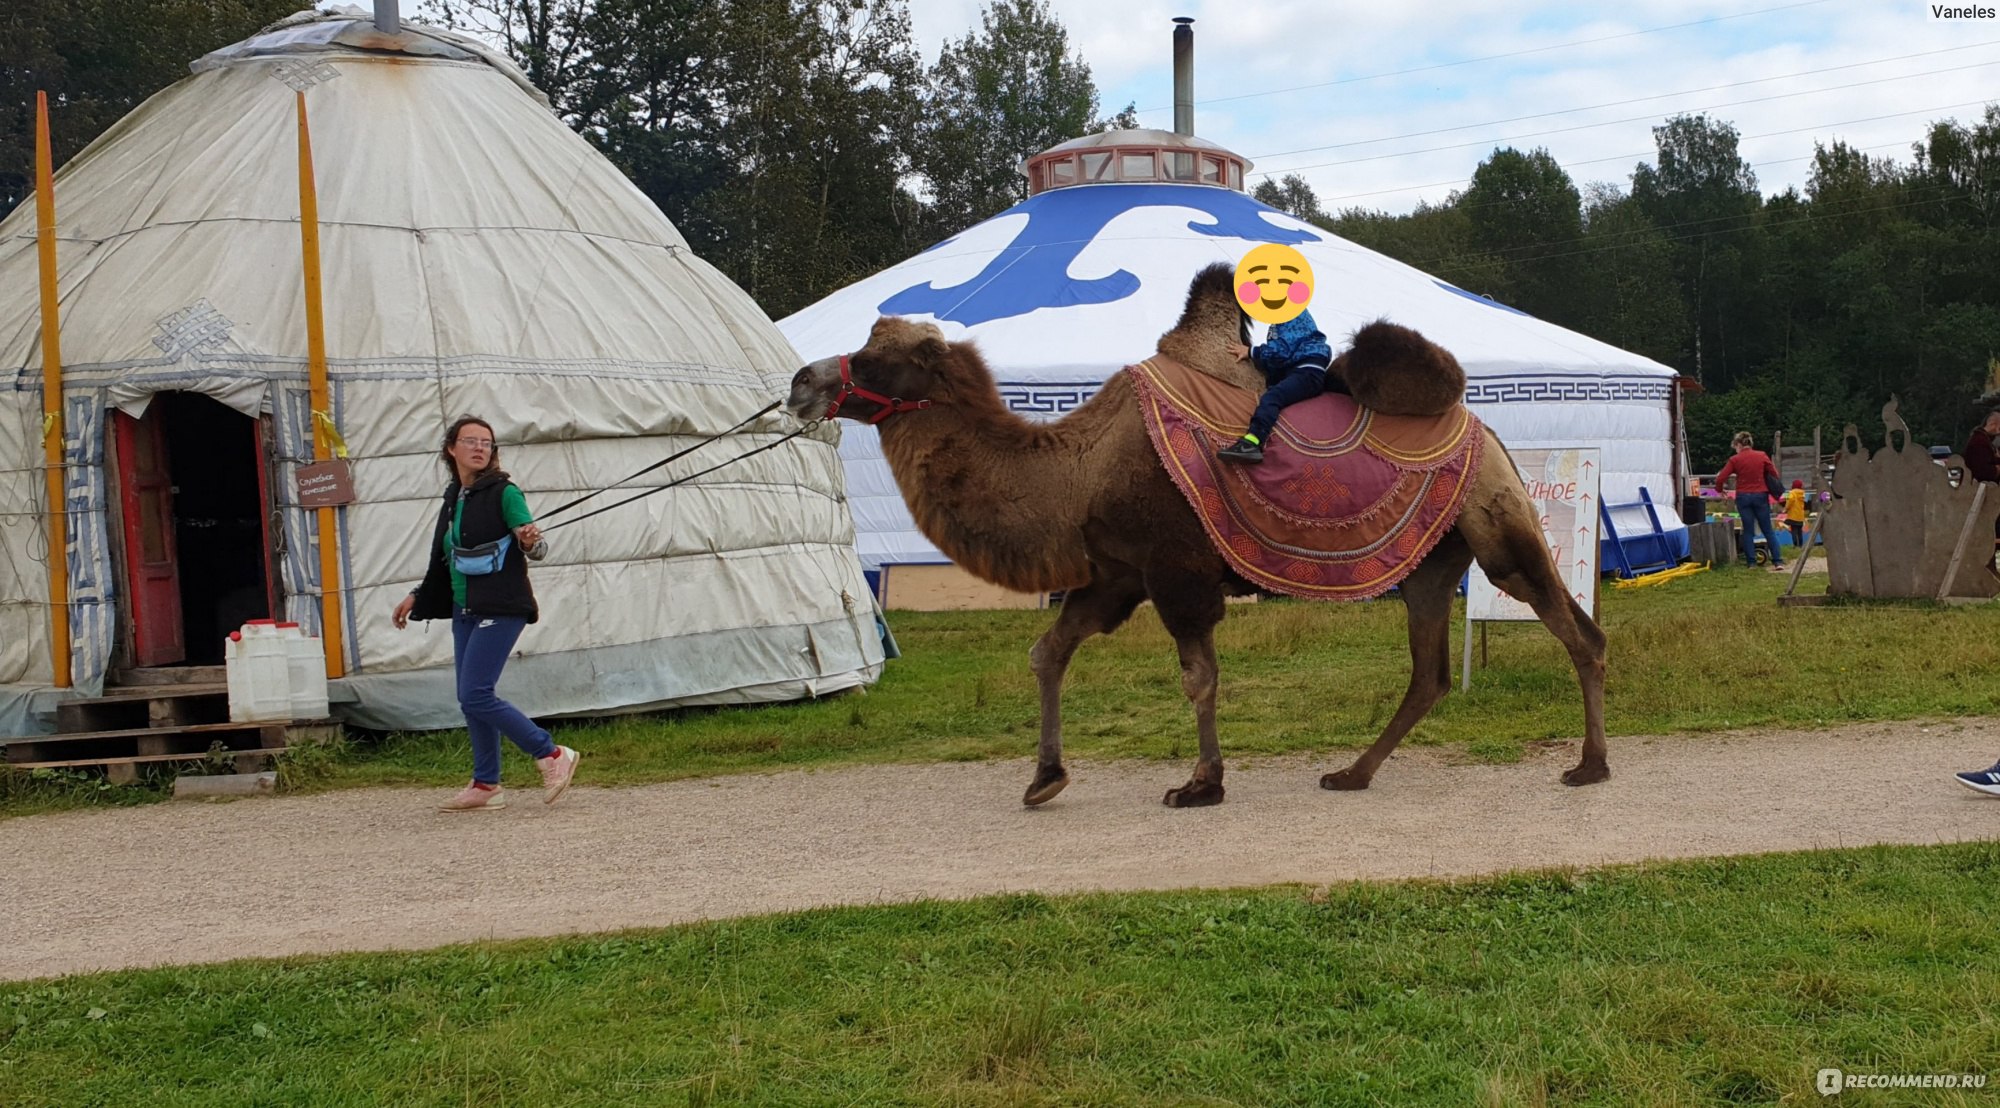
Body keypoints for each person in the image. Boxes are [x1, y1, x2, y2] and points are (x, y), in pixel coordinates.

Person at [392, 416, 579, 812]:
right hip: (465, 607)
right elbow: (446, 557)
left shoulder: (504, 493)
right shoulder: (454, 497)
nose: (480, 448)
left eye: (487, 443)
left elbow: (539, 549)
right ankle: (486, 783)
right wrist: (418, 594)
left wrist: (529, 542)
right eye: (471, 441)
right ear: (451, 448)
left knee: (475, 693)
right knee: (471, 698)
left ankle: (550, 754)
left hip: (503, 605)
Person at [1215, 307, 1333, 464]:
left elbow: (1283, 350)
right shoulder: (1277, 324)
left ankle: (1252, 442)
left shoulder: (1292, 313)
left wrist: (1251, 352)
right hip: (1297, 371)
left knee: (1272, 397)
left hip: (1306, 371)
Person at [1713, 430, 1785, 570]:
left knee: (1748, 531)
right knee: (1767, 530)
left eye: (1735, 446)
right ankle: (1778, 561)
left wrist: (1719, 490)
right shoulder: (1762, 455)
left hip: (1743, 497)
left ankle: (1751, 563)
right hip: (1761, 495)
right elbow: (1774, 474)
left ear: (1739, 444)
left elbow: (1721, 478)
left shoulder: (1735, 459)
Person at [1965, 409, 2000, 484]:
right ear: (1992, 424)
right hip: (1980, 487)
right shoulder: (1979, 441)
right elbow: (1982, 470)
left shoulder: (1985, 440)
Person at [1782, 479, 1809, 547]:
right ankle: (1800, 545)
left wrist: (1785, 509)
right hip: (1800, 516)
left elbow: (1789, 501)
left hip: (1793, 515)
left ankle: (1795, 545)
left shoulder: (1791, 493)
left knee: (1794, 531)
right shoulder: (1803, 493)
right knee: (1800, 531)